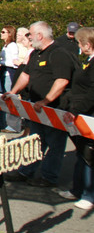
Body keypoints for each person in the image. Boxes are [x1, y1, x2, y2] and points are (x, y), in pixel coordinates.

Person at [3, 21, 77, 188]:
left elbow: (62, 80)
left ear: (40, 36)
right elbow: (25, 76)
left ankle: (49, 177)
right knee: (35, 141)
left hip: (55, 108)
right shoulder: (36, 54)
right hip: (37, 108)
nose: (28, 37)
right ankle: (25, 171)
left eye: (30, 34)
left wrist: (46, 101)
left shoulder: (59, 54)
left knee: (55, 144)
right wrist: (13, 92)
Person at [57, 27, 94, 211]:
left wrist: (76, 109)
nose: (78, 46)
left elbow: (92, 93)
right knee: (81, 152)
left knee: (89, 155)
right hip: (82, 113)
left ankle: (89, 194)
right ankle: (77, 188)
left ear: (87, 45)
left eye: (79, 43)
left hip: (89, 114)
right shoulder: (88, 61)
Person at [0, 26, 21, 132]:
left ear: (10, 33)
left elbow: (14, 61)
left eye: (3, 32)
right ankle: (6, 123)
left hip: (9, 73)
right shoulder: (5, 45)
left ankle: (14, 125)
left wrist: (1, 62)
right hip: (5, 72)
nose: (1, 33)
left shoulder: (12, 46)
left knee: (11, 98)